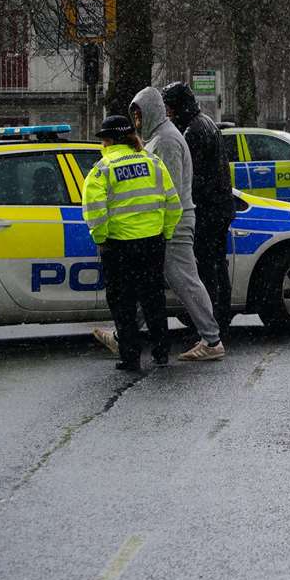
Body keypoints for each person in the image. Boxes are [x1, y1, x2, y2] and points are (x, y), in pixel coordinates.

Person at [131, 87, 224, 362]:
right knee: (152, 280)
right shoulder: (161, 137)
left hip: (174, 222)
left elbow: (167, 188)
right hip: (170, 221)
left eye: (139, 113)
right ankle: (124, 334)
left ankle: (212, 340)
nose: (137, 120)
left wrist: (161, 225)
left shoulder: (167, 140)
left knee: (185, 281)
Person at [84, 115, 180, 372]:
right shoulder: (153, 162)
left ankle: (130, 357)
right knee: (153, 299)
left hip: (119, 247)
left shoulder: (102, 170)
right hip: (152, 243)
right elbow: (174, 204)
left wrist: (101, 239)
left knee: (123, 304)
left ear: (109, 140)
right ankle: (161, 353)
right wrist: (165, 232)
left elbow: (95, 211)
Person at [163, 81, 234, 333]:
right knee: (215, 264)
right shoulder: (205, 123)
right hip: (218, 207)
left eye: (169, 108)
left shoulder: (193, 131)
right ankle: (219, 316)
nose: (167, 113)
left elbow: (191, 176)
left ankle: (211, 319)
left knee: (206, 268)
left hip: (207, 209)